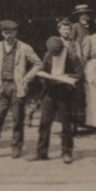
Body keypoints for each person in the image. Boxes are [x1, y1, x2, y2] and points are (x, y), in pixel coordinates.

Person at [0, 20, 41, 159]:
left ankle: (16, 147)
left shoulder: (24, 47)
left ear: (16, 32)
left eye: (11, 33)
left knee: (17, 119)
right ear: (2, 33)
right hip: (1, 86)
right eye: (5, 33)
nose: (8, 36)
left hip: (17, 86)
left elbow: (38, 64)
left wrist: (26, 78)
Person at [30, 32, 84, 162]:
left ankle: (67, 152)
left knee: (66, 123)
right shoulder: (48, 55)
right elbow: (43, 69)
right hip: (50, 91)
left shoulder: (72, 56)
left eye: (57, 53)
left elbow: (80, 75)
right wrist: (44, 77)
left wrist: (66, 78)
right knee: (44, 123)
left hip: (65, 92)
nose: (55, 55)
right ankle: (41, 152)